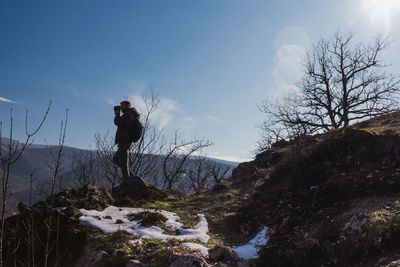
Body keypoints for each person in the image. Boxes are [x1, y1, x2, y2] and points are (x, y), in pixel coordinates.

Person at [112, 100, 140, 180]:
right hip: (125, 141)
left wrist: (117, 114)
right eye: (121, 106)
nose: (121, 107)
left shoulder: (128, 114)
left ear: (128, 105)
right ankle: (131, 177)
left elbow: (117, 122)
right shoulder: (130, 114)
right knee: (116, 159)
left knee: (123, 163)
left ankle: (128, 181)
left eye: (123, 105)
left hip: (125, 141)